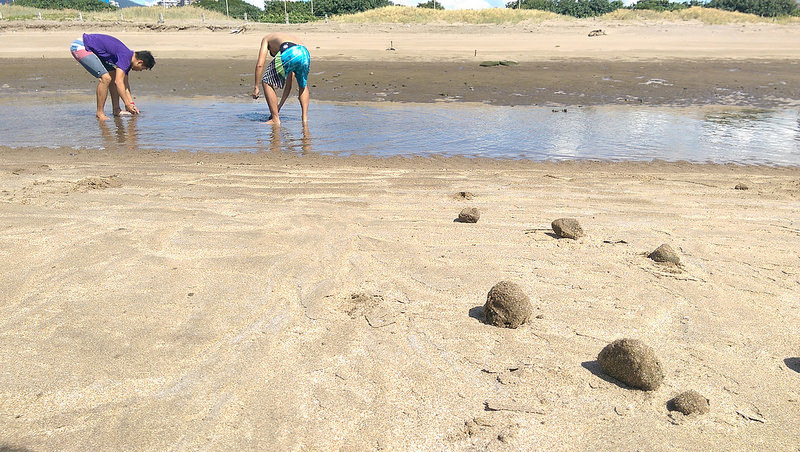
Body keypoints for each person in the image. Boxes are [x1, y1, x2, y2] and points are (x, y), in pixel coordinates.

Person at [70, 33, 155, 121]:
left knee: (113, 75)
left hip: (92, 49)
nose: (140, 71)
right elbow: (118, 83)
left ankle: (116, 110)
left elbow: (124, 85)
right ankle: (100, 113)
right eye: (142, 68)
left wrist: (131, 104)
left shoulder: (128, 59)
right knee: (106, 78)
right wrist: (127, 104)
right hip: (80, 46)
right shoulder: (125, 56)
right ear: (139, 62)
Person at [252, 32, 311, 125]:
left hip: (289, 50)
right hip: (304, 53)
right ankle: (305, 119)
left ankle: (275, 119)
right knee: (302, 85)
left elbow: (260, 65)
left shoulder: (266, 39)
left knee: (266, 82)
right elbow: (288, 86)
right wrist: (278, 107)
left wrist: (256, 86)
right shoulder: (286, 37)